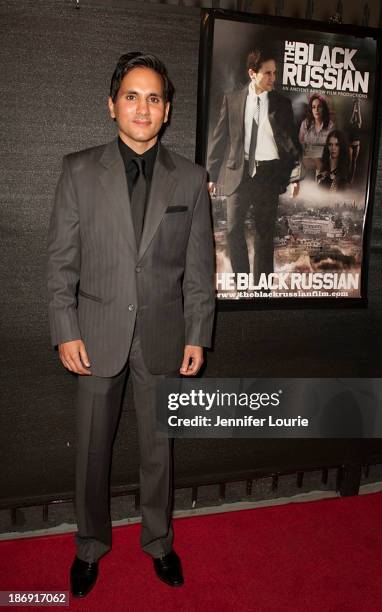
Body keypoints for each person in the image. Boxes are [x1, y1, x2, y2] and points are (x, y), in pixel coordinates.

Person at [46, 52, 215, 598]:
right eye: (132, 96)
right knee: (92, 452)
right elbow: (61, 263)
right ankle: (90, 546)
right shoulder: (78, 170)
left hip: (165, 336)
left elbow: (199, 269)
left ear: (166, 112)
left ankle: (159, 543)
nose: (143, 107)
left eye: (155, 98)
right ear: (112, 104)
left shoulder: (190, 179)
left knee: (158, 452)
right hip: (94, 335)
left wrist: (197, 333)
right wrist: (65, 327)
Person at [207, 49, 300, 284]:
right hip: (238, 172)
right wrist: (211, 174)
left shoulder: (282, 104)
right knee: (232, 230)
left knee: (264, 235)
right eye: (267, 73)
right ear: (252, 73)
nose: (273, 78)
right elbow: (220, 138)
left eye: (274, 73)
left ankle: (261, 290)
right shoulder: (233, 99)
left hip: (269, 175)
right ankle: (242, 285)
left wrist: (295, 177)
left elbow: (291, 144)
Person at [298, 93, 334, 177]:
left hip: (324, 159)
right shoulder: (305, 124)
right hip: (307, 159)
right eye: (313, 107)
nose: (316, 110)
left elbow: (332, 147)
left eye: (319, 107)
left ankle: (321, 181)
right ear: (311, 109)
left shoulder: (330, 125)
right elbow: (300, 144)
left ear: (324, 109)